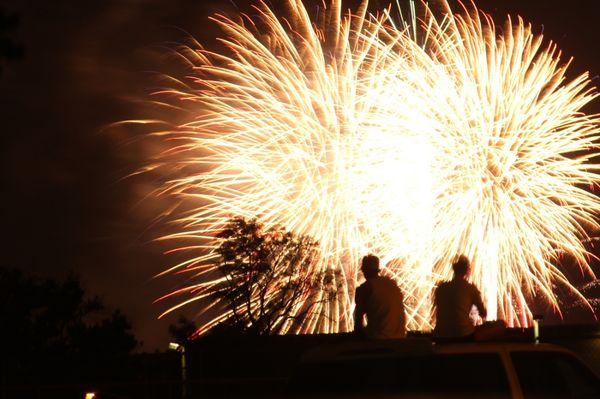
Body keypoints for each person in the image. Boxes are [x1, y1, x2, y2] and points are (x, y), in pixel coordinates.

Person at [433, 255, 487, 340]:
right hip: (462, 334)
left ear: (454, 270)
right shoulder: (470, 288)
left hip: (440, 333)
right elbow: (483, 313)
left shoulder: (442, 287)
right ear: (467, 271)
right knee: (500, 325)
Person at [353, 254, 406, 339]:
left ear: (364, 270)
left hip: (379, 339)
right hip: (400, 337)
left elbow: (358, 322)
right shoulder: (392, 284)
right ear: (377, 270)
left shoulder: (365, 288)